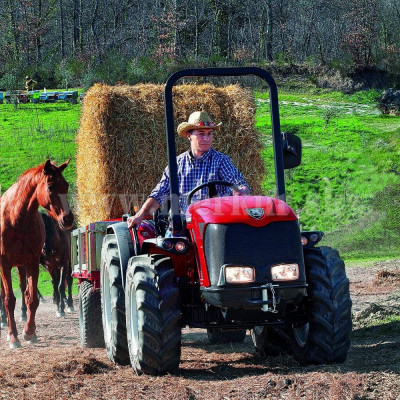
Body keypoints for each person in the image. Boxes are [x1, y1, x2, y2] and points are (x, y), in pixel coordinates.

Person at [126, 111, 250, 229]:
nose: (206, 138)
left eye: (209, 134)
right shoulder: (176, 164)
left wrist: (241, 191)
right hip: (186, 225)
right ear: (189, 136)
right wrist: (140, 215)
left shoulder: (221, 161)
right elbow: (159, 194)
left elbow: (238, 182)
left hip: (215, 223)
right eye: (201, 134)